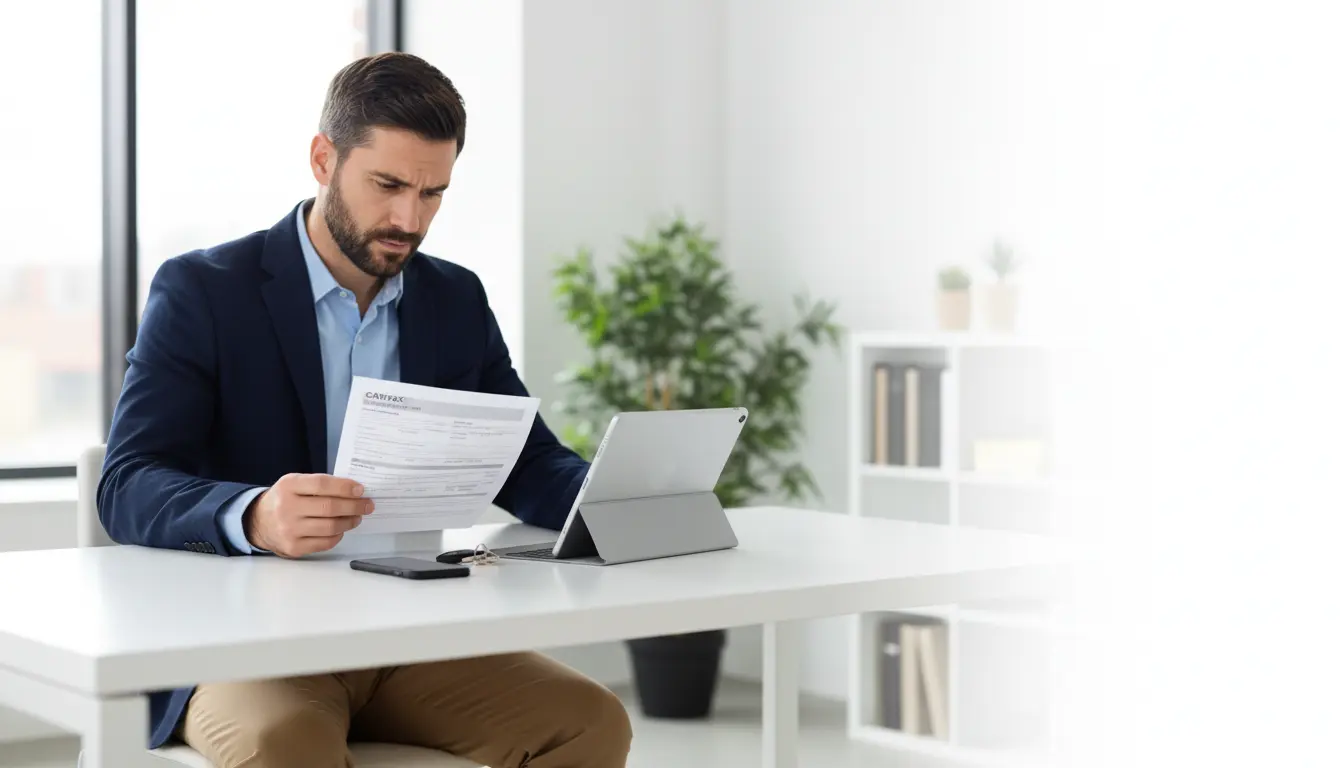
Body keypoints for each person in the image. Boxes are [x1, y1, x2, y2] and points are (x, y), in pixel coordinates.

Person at [98, 52, 632, 768]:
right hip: (245, 645)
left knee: (588, 721)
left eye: (433, 193)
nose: (409, 218)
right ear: (324, 159)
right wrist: (254, 513)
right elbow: (126, 482)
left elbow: (525, 460)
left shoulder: (454, 300)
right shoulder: (204, 292)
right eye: (387, 185)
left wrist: (615, 497)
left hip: (407, 636)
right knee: (282, 743)